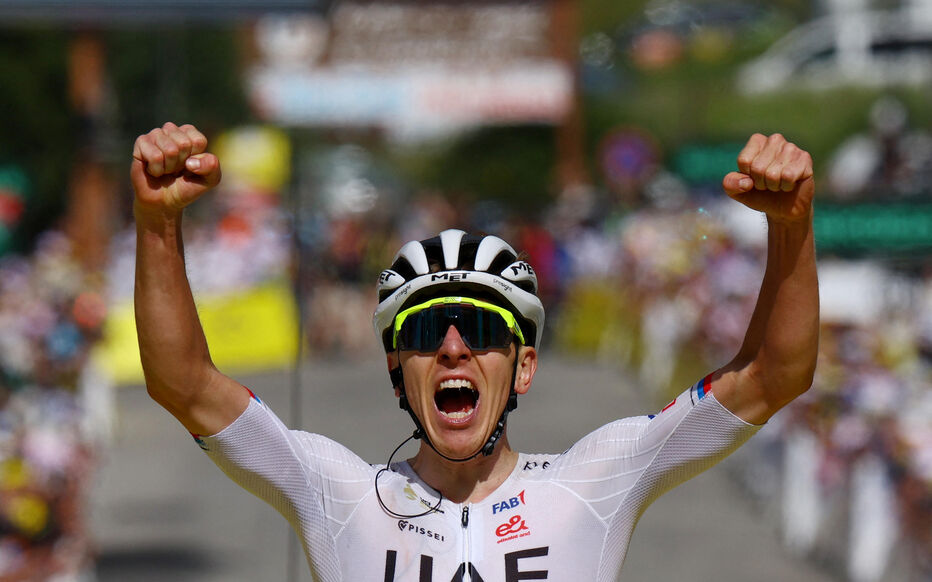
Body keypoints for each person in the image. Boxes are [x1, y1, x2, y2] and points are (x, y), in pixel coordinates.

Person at [132, 122, 818, 580]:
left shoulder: (595, 478)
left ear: (523, 365)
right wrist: (158, 225)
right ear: (397, 368)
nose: (455, 347)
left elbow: (775, 375)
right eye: (428, 333)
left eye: (483, 332)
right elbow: (183, 383)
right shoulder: (337, 490)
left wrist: (792, 227)